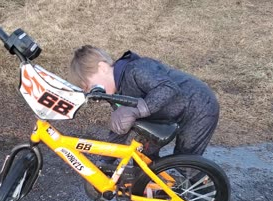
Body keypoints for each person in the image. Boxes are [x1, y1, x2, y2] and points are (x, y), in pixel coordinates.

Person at [68, 45, 219, 163]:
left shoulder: (137, 69)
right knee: (144, 158)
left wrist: (139, 110)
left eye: (90, 86)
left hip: (198, 106)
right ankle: (152, 194)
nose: (95, 93)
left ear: (103, 67)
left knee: (187, 162)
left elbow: (168, 88)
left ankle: (207, 199)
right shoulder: (116, 93)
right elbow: (121, 127)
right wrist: (105, 162)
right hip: (166, 115)